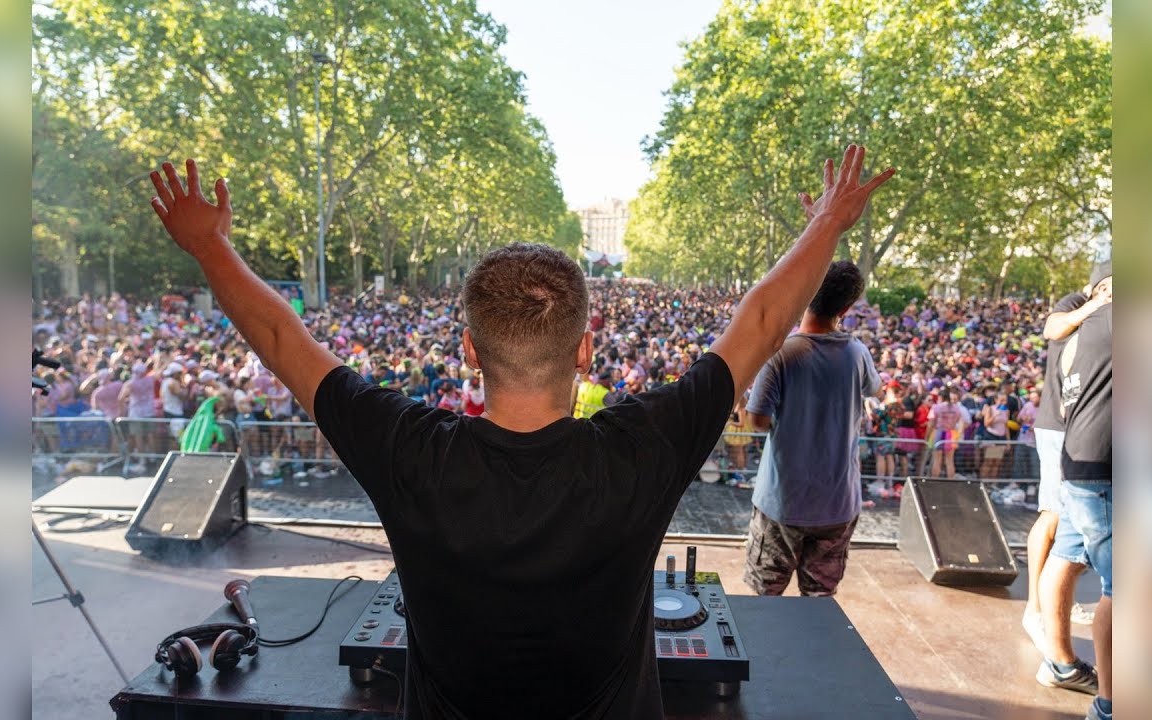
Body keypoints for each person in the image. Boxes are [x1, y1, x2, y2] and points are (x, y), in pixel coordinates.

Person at [146, 149, 894, 718]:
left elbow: (283, 339)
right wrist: (828, 221)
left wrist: (211, 246)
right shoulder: (642, 448)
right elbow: (762, 322)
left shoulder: (410, 452)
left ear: (468, 351)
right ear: (585, 349)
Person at [742, 260, 881, 597]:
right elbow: (873, 389)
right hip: (838, 505)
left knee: (765, 604)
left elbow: (757, 421)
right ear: (845, 308)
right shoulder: (857, 353)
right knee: (819, 608)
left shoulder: (781, 354)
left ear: (804, 295)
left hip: (783, 503)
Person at [1038, 264, 1113, 720]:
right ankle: (1109, 703)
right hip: (1097, 460)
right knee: (1123, 589)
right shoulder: (1091, 311)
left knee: (1066, 553)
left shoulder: (1091, 320)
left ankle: (1061, 662)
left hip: (1080, 453)